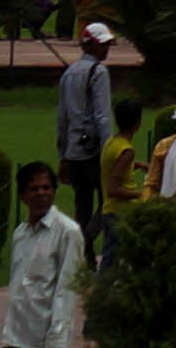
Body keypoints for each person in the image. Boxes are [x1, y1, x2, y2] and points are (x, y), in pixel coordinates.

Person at [0, 165, 88, 348]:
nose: (41, 193)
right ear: (23, 196)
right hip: (14, 336)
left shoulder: (68, 232)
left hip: (45, 339)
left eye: (46, 188)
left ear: (54, 191)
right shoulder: (20, 234)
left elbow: (66, 290)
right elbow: (17, 288)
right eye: (34, 189)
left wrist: (57, 341)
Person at [55, 20, 122, 217]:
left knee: (82, 205)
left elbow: (62, 118)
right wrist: (108, 149)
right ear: (88, 45)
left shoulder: (69, 72)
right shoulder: (99, 72)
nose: (106, 49)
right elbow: (102, 115)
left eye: (107, 44)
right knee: (108, 202)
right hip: (93, 151)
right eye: (102, 44)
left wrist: (63, 154)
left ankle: (82, 246)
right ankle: (88, 239)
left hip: (74, 151)